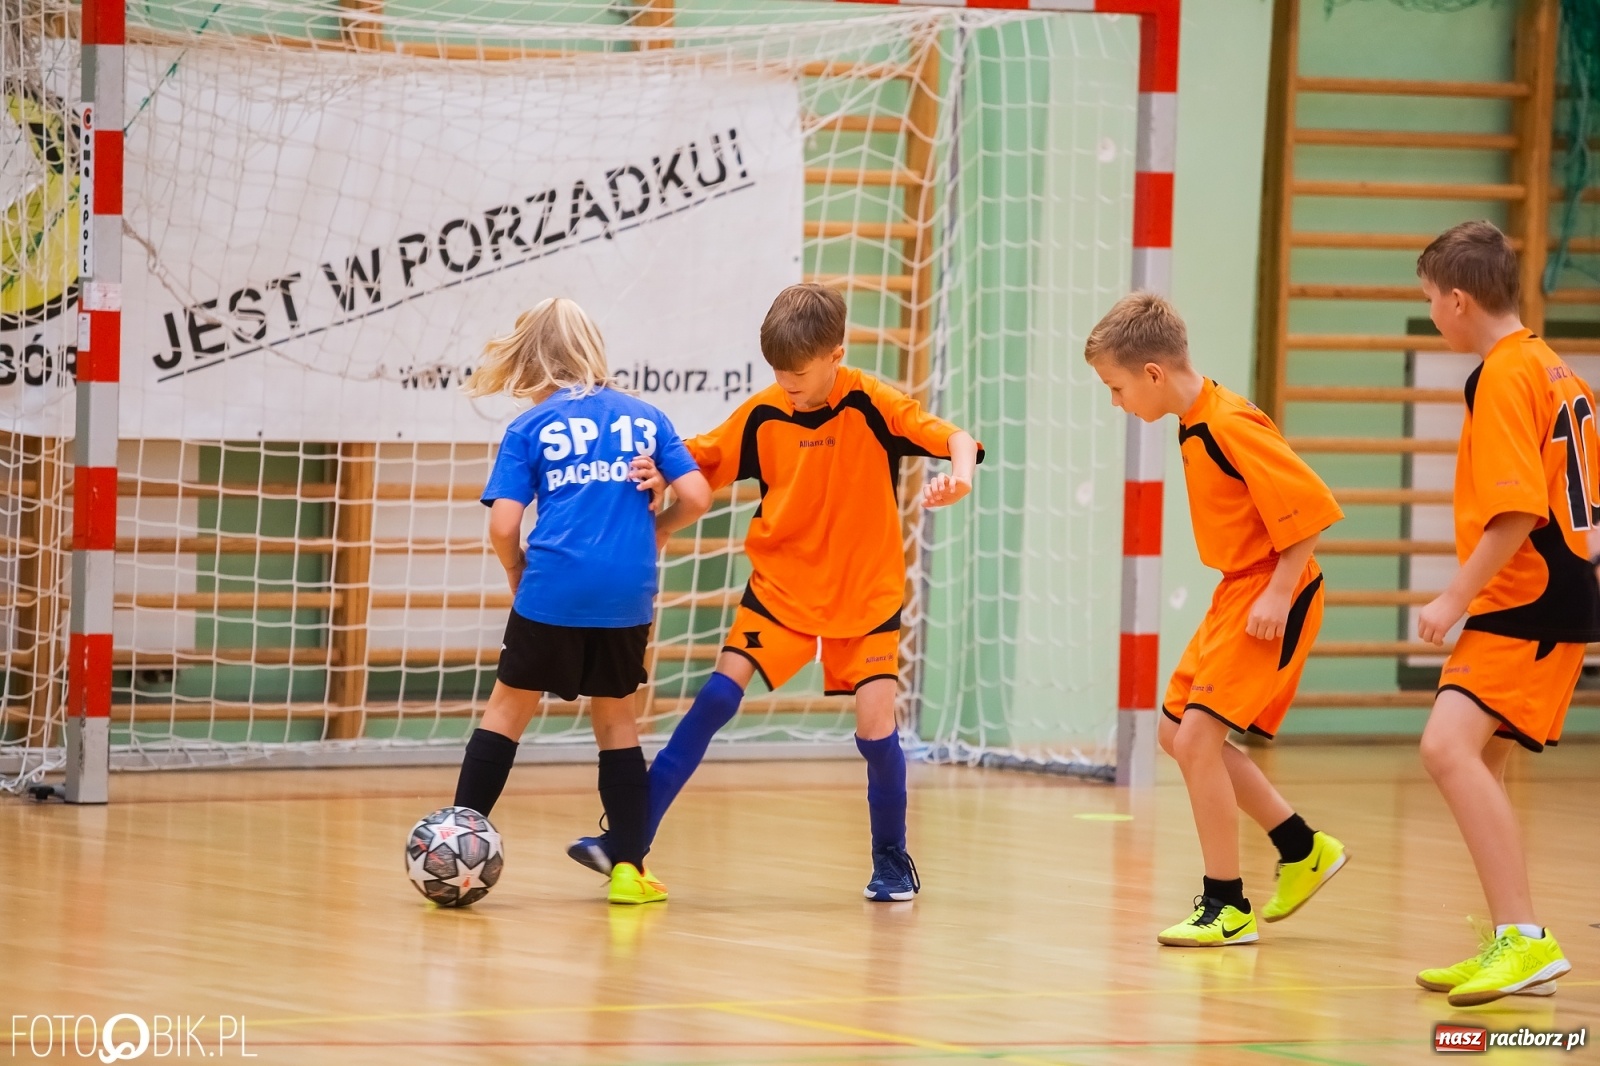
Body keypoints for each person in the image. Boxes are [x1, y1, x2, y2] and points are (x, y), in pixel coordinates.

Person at [567, 282, 980, 901]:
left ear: (836, 355)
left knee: (875, 729)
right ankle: (630, 841)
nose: (788, 383)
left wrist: (960, 478)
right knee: (713, 700)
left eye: (800, 373)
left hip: (864, 597)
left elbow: (956, 440)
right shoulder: (763, 413)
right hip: (781, 591)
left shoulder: (872, 404)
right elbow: (695, 458)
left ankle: (892, 860)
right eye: (779, 372)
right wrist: (658, 472)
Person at [1084, 292, 1348, 947]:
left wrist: (1278, 592)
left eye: (1116, 389)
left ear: (1152, 373)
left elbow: (1312, 508)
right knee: (1178, 734)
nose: (1116, 403)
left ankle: (1226, 905)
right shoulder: (1191, 418)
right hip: (1236, 591)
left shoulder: (1229, 423)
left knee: (1199, 740)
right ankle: (1302, 848)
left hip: (1269, 592)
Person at [449, 297, 711, 905]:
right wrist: (661, 528)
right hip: (628, 593)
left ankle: (459, 835)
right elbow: (697, 496)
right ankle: (627, 869)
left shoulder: (529, 427)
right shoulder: (646, 417)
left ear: (529, 361)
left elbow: (503, 526)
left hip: (553, 588)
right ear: (595, 350)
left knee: (508, 710)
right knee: (616, 718)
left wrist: (516, 571)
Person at [1412, 220, 1594, 1005]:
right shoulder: (1556, 368)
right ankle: (1508, 940)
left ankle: (1523, 938)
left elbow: (1518, 511)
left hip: (1526, 592)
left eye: (1429, 301)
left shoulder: (1503, 375)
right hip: (1559, 589)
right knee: (1479, 763)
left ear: (1457, 300)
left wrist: (1455, 594)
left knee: (1445, 748)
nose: (1430, 315)